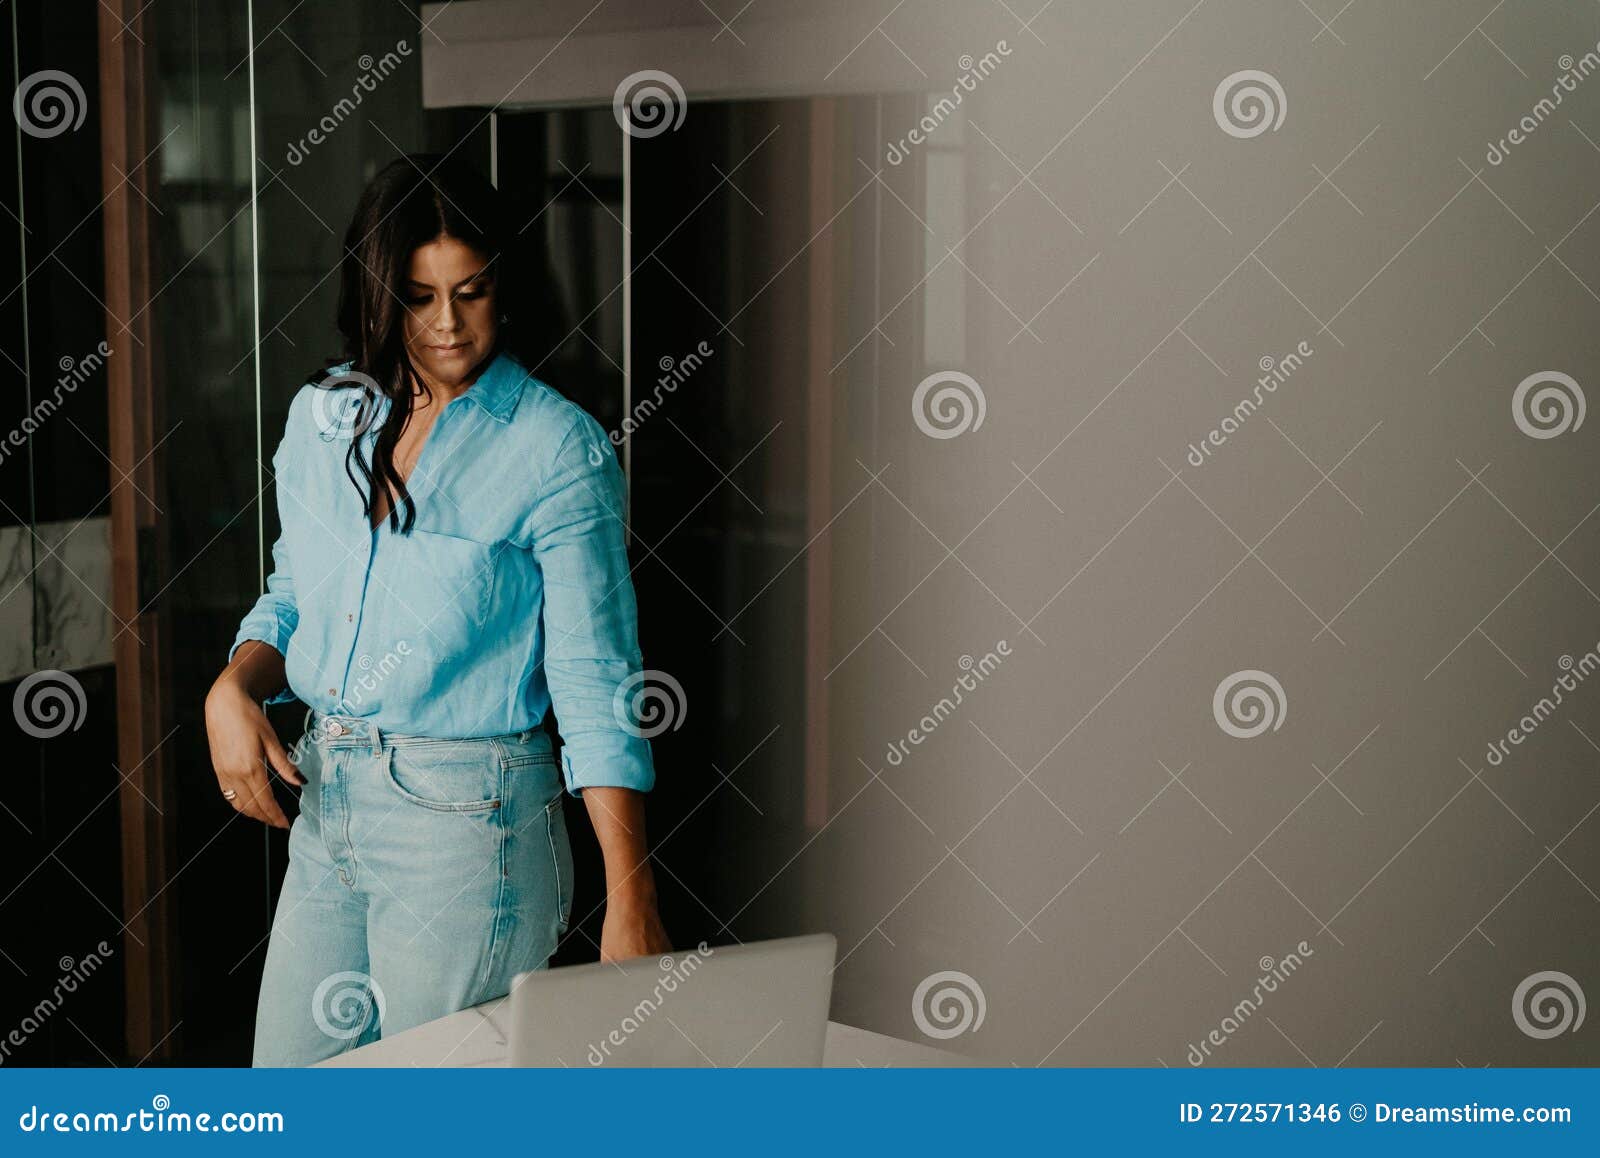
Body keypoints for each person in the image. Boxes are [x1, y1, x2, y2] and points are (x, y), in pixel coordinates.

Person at [204, 154, 670, 1066]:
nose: (449, 323)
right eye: (419, 297)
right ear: (380, 296)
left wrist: (631, 894)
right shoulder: (322, 418)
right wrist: (232, 687)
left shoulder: (555, 447)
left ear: (508, 287)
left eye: (474, 290)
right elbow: (297, 592)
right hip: (328, 795)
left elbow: (595, 677)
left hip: (470, 824)